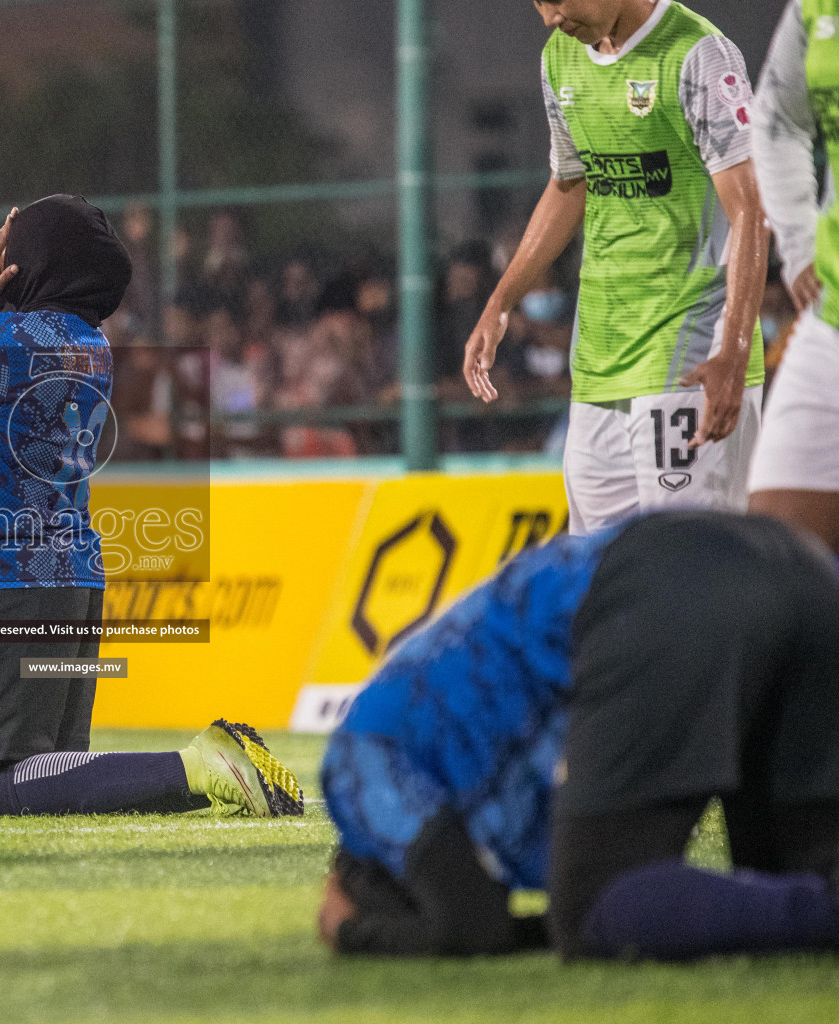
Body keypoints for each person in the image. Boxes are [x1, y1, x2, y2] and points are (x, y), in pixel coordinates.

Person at [0, 195, 302, 818]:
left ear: (22, 266)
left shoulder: (0, 340)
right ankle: (202, 772)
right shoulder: (91, 343)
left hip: (3, 576)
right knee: (45, 780)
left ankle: (201, 765)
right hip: (72, 574)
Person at [319, 511, 839, 960]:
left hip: (658, 588)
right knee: (793, 871)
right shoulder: (461, 770)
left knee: (594, 903)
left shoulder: (355, 765)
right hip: (801, 566)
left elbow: (470, 921)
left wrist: (350, 929)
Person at [464, 0, 766, 534]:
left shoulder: (698, 54)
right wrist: (500, 302)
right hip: (599, 361)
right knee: (603, 578)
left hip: (689, 355)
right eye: (537, 2)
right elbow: (568, 184)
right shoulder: (560, 57)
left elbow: (750, 208)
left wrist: (734, 351)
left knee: (690, 570)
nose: (549, 17)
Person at [747, 0, 839, 552]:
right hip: (832, 323)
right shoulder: (816, 7)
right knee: (775, 569)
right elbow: (777, 120)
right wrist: (800, 245)